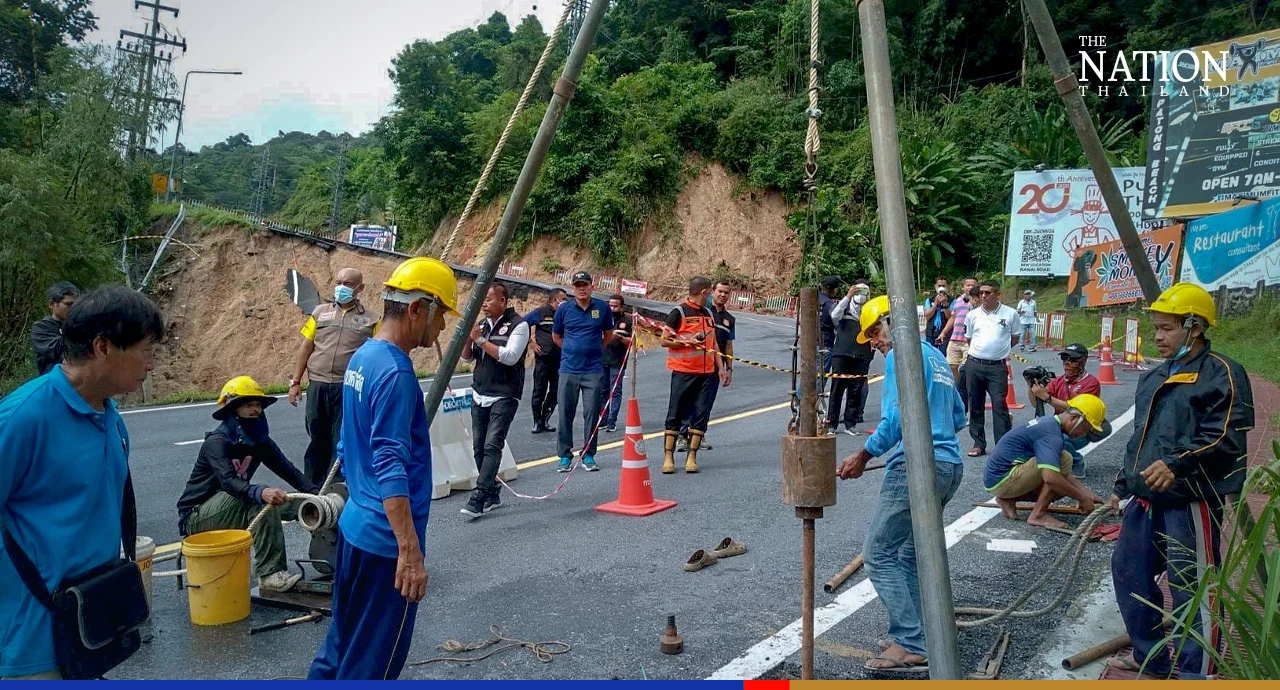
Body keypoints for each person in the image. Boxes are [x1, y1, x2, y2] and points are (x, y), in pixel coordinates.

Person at [1, 286, 163, 680]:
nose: (152, 365)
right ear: (103, 347)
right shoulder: (23, 418)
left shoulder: (110, 417)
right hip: (30, 642)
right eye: (145, 351)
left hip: (90, 624)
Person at [308, 257, 456, 680]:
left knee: (340, 645)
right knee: (371, 663)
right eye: (440, 314)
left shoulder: (363, 357)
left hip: (356, 529)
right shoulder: (395, 372)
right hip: (383, 544)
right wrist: (409, 553)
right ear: (416, 310)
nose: (442, 327)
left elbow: (347, 442)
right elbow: (391, 465)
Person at [1107, 283, 1253, 681]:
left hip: (1192, 498)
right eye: (1155, 327)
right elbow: (1142, 436)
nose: (1157, 336)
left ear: (1195, 326)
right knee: (1129, 571)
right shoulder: (1153, 376)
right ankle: (1150, 657)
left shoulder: (1220, 372)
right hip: (1145, 497)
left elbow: (1226, 437)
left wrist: (1177, 464)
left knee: (1192, 584)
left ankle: (1197, 672)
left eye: (1167, 328)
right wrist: (1123, 485)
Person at [836, 295, 965, 674]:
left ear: (893, 322)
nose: (874, 342)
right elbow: (958, 415)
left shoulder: (901, 356)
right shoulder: (937, 357)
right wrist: (936, 432)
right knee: (909, 554)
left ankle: (911, 641)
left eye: (875, 331)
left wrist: (864, 454)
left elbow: (895, 418)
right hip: (948, 466)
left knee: (878, 553)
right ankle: (923, 634)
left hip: (915, 467)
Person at [176, 376, 317, 592]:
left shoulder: (259, 441)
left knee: (296, 503)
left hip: (234, 505)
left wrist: (317, 496)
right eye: (249, 404)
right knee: (260, 500)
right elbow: (229, 483)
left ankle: (332, 554)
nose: (256, 410)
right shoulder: (217, 442)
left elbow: (289, 471)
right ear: (233, 409)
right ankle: (270, 574)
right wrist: (259, 492)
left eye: (258, 405)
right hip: (197, 515)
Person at [288, 268, 379, 485]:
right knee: (317, 437)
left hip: (347, 387)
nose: (341, 287)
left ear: (360, 288)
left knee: (341, 438)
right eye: (339, 282)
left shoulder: (372, 319)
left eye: (347, 283)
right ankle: (311, 486)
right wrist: (296, 382)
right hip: (318, 385)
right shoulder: (319, 313)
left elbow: (378, 353)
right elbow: (306, 346)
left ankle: (335, 488)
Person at [983, 396, 1108, 529]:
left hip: (998, 479)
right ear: (1074, 419)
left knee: (1059, 470)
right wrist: (1082, 499)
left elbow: (1060, 474)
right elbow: (1051, 478)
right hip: (1004, 479)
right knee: (1063, 460)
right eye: (1086, 428)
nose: (1083, 434)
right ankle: (1038, 515)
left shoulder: (1048, 423)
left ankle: (1008, 499)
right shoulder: (1051, 435)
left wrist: (1087, 494)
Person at [459, 284, 528, 518]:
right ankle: (491, 491)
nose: (485, 304)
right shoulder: (482, 325)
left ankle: (479, 495)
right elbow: (467, 357)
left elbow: (510, 357)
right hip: (480, 392)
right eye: (483, 300)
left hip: (505, 394)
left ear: (503, 300)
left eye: (489, 299)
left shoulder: (519, 325)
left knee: (492, 445)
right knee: (478, 447)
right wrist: (469, 339)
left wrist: (480, 341)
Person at [551, 272, 614, 473]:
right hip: (569, 369)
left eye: (584, 284)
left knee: (591, 413)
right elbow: (556, 337)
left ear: (591, 286)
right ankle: (564, 456)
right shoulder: (564, 310)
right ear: (572, 288)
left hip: (593, 370)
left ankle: (588, 454)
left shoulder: (602, 308)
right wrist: (572, 349)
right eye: (577, 285)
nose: (581, 288)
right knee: (565, 414)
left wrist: (594, 350)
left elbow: (608, 334)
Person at [660, 277, 721, 475]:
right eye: (710, 291)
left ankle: (691, 457)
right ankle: (668, 457)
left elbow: (714, 343)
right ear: (704, 292)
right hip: (683, 372)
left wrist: (721, 367)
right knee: (675, 413)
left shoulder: (709, 313)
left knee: (701, 415)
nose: (712, 295)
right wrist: (688, 343)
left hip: (707, 373)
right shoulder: (679, 312)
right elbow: (664, 340)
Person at [1027, 343, 1102, 478]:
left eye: (1072, 359)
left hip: (1080, 429)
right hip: (1061, 426)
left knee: (1058, 440)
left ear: (1083, 360)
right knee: (1034, 434)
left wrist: (1048, 397)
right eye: (1064, 359)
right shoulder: (1058, 381)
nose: (1067, 363)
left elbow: (1077, 410)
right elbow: (1036, 404)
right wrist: (1031, 385)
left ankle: (1077, 462)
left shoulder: (1091, 383)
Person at [963, 280, 1020, 456]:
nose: (983, 296)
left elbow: (1015, 338)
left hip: (997, 367)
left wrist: (998, 351)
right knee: (976, 404)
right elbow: (969, 338)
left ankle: (1003, 445)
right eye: (981, 293)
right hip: (975, 364)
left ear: (998, 294)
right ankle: (978, 443)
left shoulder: (1010, 314)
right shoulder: (972, 315)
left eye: (988, 293)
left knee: (999, 405)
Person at [679, 281, 735, 450]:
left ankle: (699, 435)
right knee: (688, 400)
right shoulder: (703, 310)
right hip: (696, 364)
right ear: (712, 292)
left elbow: (728, 345)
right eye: (719, 291)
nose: (722, 295)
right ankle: (682, 435)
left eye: (726, 293)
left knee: (706, 403)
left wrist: (728, 368)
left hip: (715, 367)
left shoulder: (729, 319)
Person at [827, 282, 874, 435]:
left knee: (856, 389)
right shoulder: (844, 307)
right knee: (837, 388)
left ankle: (850, 423)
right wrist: (847, 297)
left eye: (865, 292)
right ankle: (831, 423)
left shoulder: (869, 312)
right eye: (858, 291)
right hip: (842, 352)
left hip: (861, 354)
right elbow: (834, 315)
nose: (861, 295)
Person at [525, 288, 567, 434]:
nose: (565, 301)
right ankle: (536, 422)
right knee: (539, 392)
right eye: (563, 299)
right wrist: (530, 343)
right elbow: (521, 325)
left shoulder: (565, 314)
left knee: (555, 391)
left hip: (560, 359)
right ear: (554, 299)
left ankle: (545, 419)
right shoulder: (540, 312)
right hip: (543, 359)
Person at [939, 277, 978, 397]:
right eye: (967, 285)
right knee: (951, 365)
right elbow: (953, 317)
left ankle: (967, 390)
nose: (970, 287)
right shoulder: (958, 300)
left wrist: (974, 302)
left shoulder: (979, 301)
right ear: (963, 287)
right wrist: (944, 332)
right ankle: (957, 389)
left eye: (972, 285)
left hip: (970, 340)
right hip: (955, 338)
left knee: (966, 368)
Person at [30, 281, 80, 376]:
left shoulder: (79, 325)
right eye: (68, 304)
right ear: (51, 304)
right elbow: (58, 351)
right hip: (53, 383)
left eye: (76, 305)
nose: (73, 308)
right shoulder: (41, 328)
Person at [599, 294, 633, 433]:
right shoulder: (603, 318)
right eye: (610, 305)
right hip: (602, 360)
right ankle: (603, 418)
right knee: (602, 391)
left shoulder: (627, 321)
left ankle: (612, 420)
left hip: (618, 361)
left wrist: (619, 338)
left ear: (621, 307)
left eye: (615, 306)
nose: (612, 308)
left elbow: (632, 342)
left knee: (615, 392)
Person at [923, 277, 951, 354]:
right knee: (931, 354)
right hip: (931, 332)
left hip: (945, 333)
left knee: (943, 355)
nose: (941, 288)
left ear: (947, 287)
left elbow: (951, 318)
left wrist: (945, 305)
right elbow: (927, 316)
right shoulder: (929, 300)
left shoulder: (952, 301)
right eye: (939, 285)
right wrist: (935, 304)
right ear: (935, 286)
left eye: (943, 285)